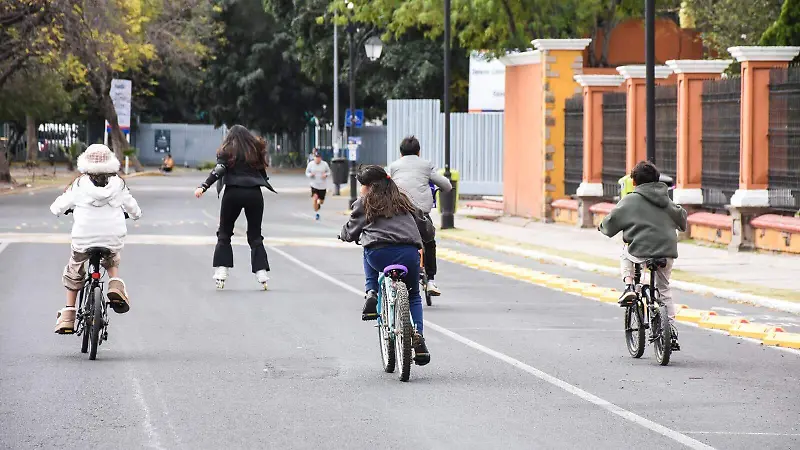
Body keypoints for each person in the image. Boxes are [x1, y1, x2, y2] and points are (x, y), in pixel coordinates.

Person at [340, 165, 435, 366]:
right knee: (414, 296)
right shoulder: (403, 200)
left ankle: (372, 292)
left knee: (366, 248)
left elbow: (351, 232)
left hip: (379, 254)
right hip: (409, 254)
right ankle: (417, 336)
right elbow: (426, 230)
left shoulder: (364, 203)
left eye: (362, 186)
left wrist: (344, 235)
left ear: (368, 187)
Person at [49, 144, 142, 334]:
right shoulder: (119, 184)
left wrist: (60, 210)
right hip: (111, 236)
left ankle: (68, 315)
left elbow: (57, 207)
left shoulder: (79, 184)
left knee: (74, 268)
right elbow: (134, 210)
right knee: (111, 256)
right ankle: (114, 284)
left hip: (84, 237)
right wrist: (134, 215)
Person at [598, 161, 687, 350]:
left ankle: (629, 285)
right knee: (664, 290)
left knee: (625, 254)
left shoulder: (631, 199)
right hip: (666, 251)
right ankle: (670, 330)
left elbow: (610, 223)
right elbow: (682, 218)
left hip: (640, 251)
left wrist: (602, 227)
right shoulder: (666, 199)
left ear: (634, 182)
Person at [194, 125, 276, 290]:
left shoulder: (227, 151)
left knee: (224, 232)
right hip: (254, 194)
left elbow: (220, 169)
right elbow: (263, 175)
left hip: (233, 193)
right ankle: (261, 273)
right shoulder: (255, 151)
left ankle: (221, 271)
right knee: (255, 234)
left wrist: (204, 186)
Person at [388, 136, 452, 296]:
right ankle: (430, 280)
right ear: (418, 152)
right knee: (429, 241)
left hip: (399, 212)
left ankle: (394, 275)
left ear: (401, 153)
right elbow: (447, 185)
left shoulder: (394, 166)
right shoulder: (426, 165)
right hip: (421, 213)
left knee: (393, 240)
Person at [305, 149, 331, 221]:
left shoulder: (324, 164)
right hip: (314, 185)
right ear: (314, 157)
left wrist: (325, 175)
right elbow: (307, 172)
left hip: (322, 186)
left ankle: (318, 205)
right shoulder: (311, 164)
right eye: (316, 157)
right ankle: (316, 213)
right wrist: (310, 175)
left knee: (321, 201)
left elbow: (329, 172)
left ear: (321, 158)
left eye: (318, 157)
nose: (317, 159)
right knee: (315, 198)